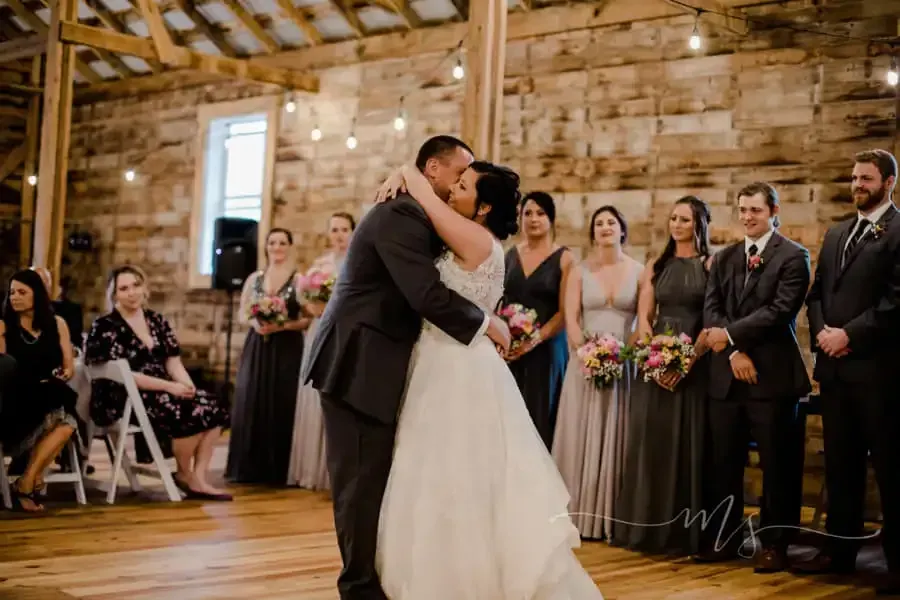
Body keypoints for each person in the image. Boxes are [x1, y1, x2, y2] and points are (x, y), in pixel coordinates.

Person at [370, 161, 603, 598]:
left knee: (459, 472)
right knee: (429, 470)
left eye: (462, 186)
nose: (452, 190)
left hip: (458, 366)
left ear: (483, 208)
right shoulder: (479, 238)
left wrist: (407, 170)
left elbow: (424, 198)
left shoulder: (477, 239)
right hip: (441, 357)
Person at [302, 136, 513, 599]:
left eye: (468, 180)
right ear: (433, 170)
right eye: (458, 173)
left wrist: (408, 172)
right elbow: (425, 294)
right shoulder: (402, 214)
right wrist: (486, 323)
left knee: (378, 478)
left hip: (385, 361)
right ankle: (358, 588)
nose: (461, 182)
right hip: (359, 361)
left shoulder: (422, 212)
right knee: (359, 482)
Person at [797, 149, 900, 595]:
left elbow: (897, 301)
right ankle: (839, 553)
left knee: (891, 467)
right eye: (855, 177)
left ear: (889, 182)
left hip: (880, 373)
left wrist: (849, 335)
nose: (857, 184)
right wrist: (822, 333)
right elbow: (816, 292)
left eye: (867, 178)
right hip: (835, 371)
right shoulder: (838, 233)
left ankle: (897, 564)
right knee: (840, 466)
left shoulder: (898, 231)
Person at [699, 182, 811, 572]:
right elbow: (711, 307)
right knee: (723, 462)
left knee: (777, 464)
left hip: (772, 378)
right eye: (742, 210)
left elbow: (780, 311)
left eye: (755, 211)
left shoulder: (794, 257)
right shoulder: (726, 256)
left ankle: (775, 544)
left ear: (773, 211)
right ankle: (725, 538)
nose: (747, 217)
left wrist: (730, 336)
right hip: (727, 375)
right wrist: (732, 351)